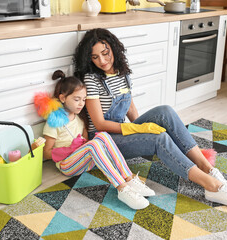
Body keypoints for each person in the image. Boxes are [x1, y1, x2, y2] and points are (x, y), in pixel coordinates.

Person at [73, 28, 227, 208]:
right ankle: (211, 186)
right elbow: (99, 123)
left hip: (123, 131)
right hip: (105, 142)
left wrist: (141, 126)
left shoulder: (122, 72)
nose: (102, 61)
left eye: (105, 53)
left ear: (113, 48)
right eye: (95, 57)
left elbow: (130, 106)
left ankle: (208, 168)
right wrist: (139, 130)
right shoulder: (91, 79)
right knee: (160, 138)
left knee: (164, 111)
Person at [42, 70, 155, 210]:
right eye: (76, 99)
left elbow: (85, 141)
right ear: (63, 98)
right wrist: (70, 148)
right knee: (93, 145)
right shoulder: (54, 122)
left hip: (82, 160)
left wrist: (82, 143)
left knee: (103, 135)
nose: (81, 104)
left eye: (83, 100)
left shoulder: (79, 118)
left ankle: (129, 178)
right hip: (67, 165)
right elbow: (45, 153)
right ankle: (122, 189)